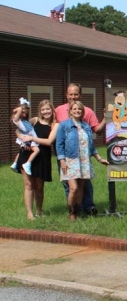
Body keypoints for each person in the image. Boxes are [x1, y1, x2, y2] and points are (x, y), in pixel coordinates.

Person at [55, 83, 106, 216]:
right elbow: (57, 139)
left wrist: (107, 118)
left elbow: (95, 136)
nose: (73, 96)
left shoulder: (87, 119)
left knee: (83, 187)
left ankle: (84, 209)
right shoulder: (59, 114)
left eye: (75, 94)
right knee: (71, 187)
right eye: (70, 94)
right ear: (66, 95)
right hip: (68, 158)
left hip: (83, 159)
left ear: (80, 95)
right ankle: (72, 212)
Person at [13, 100, 59, 220]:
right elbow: (18, 130)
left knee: (39, 187)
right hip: (27, 154)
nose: (45, 112)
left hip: (42, 157)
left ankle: (39, 211)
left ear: (52, 110)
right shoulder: (34, 120)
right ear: (40, 111)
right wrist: (24, 139)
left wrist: (32, 138)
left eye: (48, 109)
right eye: (43, 109)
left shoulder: (55, 125)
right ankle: (29, 213)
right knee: (28, 185)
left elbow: (49, 142)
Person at [11, 98, 40, 176]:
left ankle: (15, 163)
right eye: (22, 111)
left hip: (30, 137)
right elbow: (20, 109)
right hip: (29, 139)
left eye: (26, 112)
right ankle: (28, 164)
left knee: (20, 151)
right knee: (37, 150)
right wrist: (19, 108)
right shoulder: (17, 120)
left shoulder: (25, 121)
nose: (24, 113)